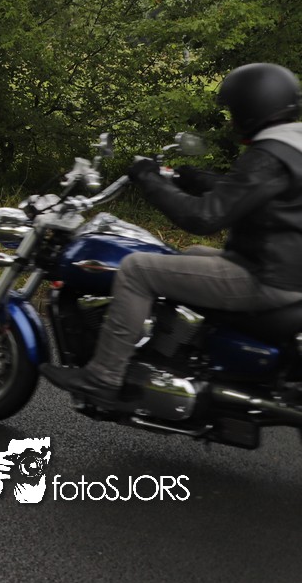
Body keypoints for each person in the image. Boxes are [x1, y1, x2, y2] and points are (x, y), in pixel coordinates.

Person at [41, 62, 302, 406]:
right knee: (189, 255)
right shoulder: (290, 147)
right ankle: (172, 353)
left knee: (137, 269)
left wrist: (149, 178)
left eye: (234, 111)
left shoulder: (267, 156)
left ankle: (103, 376)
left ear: (253, 108)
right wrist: (194, 178)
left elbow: (203, 217)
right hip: (280, 269)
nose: (231, 120)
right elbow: (249, 192)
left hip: (263, 277)